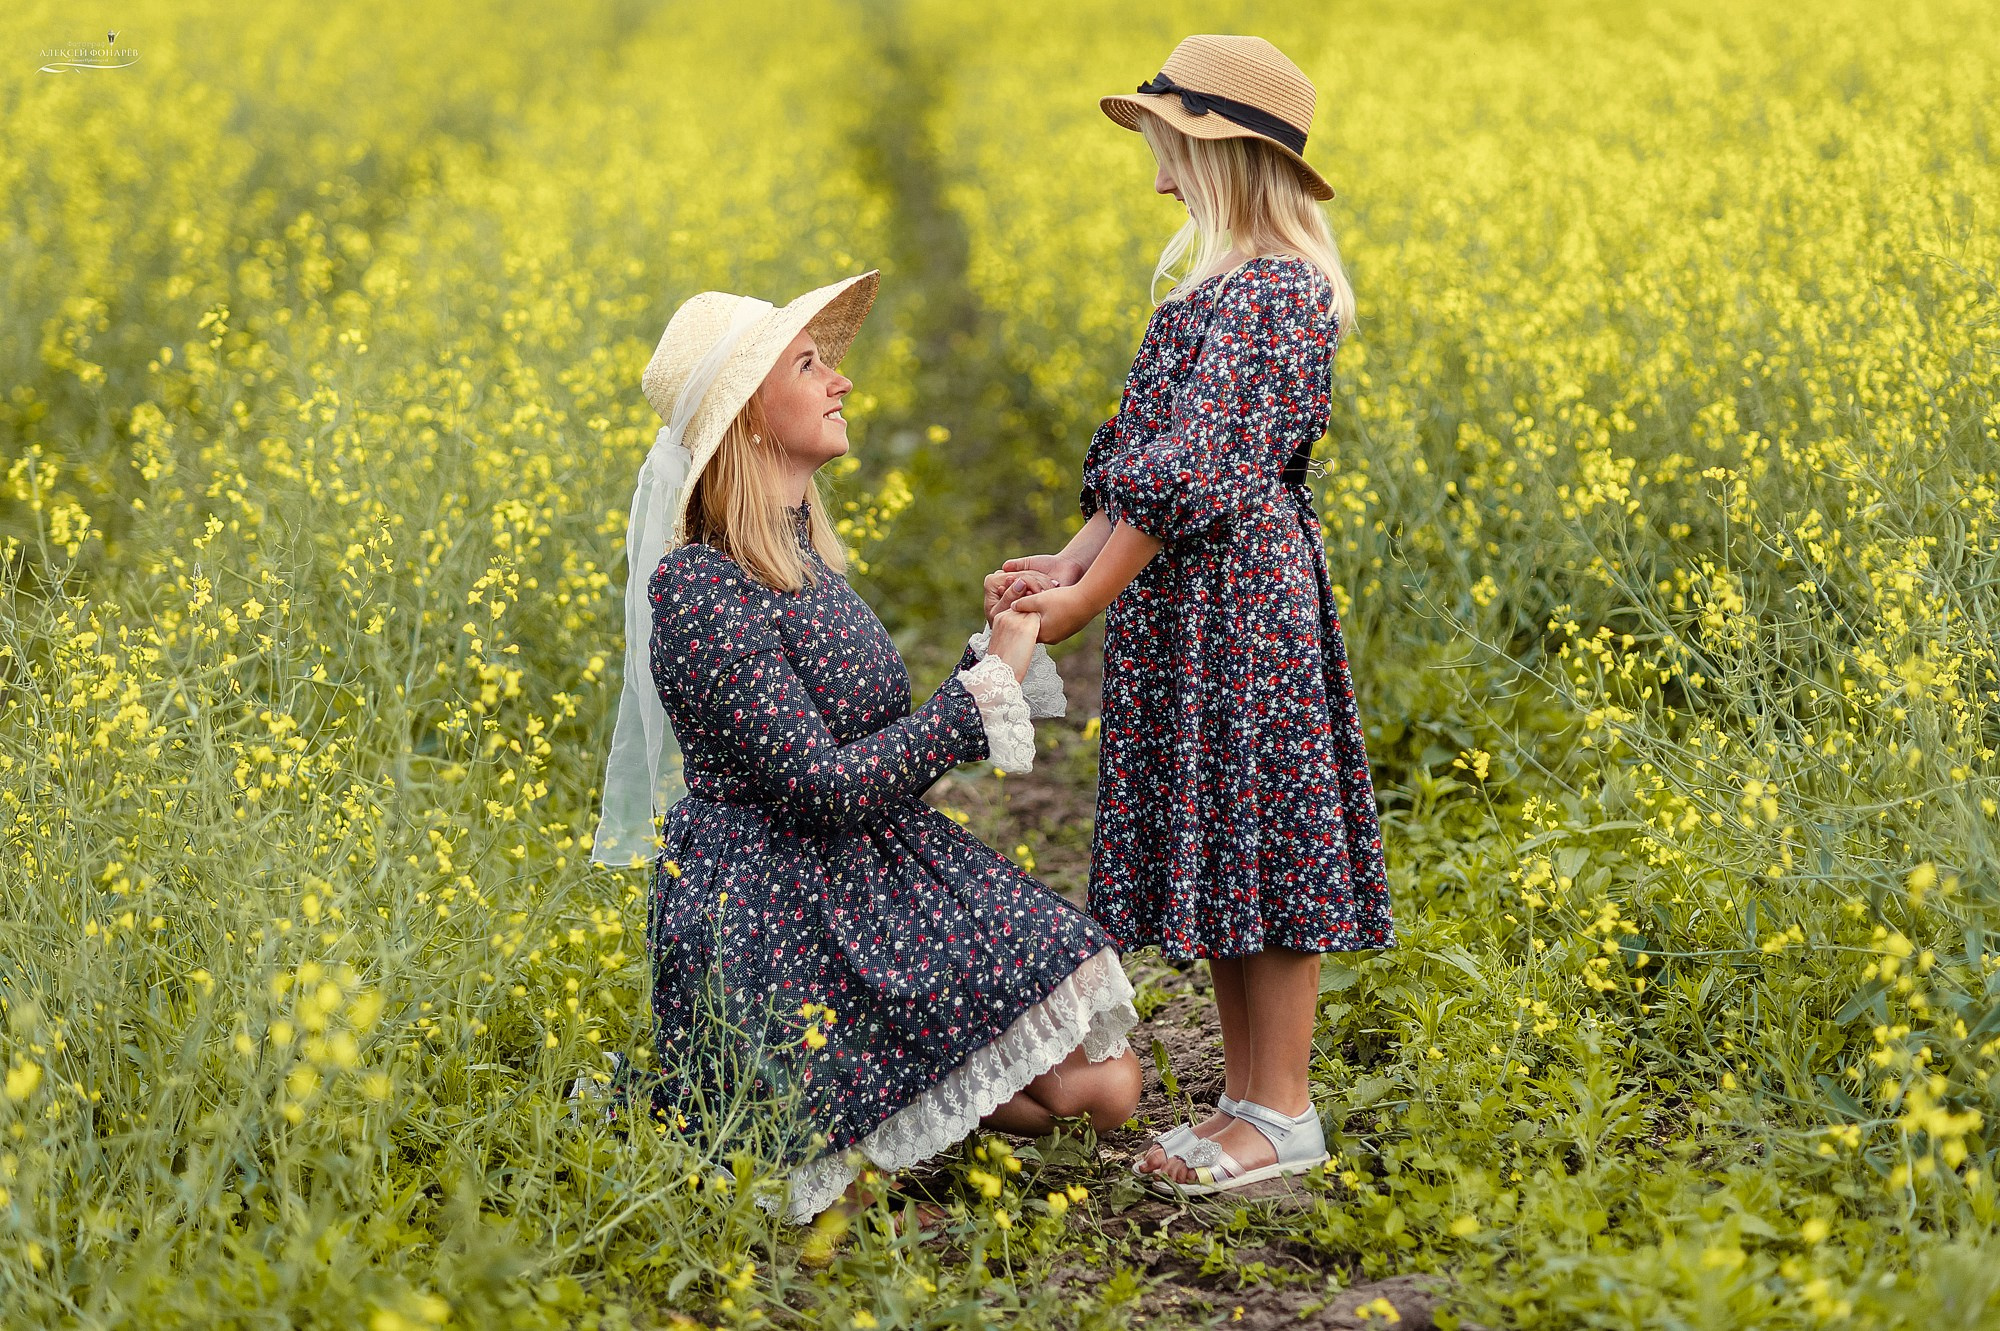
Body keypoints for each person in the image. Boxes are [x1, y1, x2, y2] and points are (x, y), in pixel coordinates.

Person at [590, 268, 1142, 1223]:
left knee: (1109, 1087)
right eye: (811, 364)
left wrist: (996, 650)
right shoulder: (699, 592)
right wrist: (982, 694)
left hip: (875, 869)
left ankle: (913, 1104)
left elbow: (872, 741)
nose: (841, 379)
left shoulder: (800, 557)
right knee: (871, 1186)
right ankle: (871, 1112)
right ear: (750, 420)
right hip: (777, 916)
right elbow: (816, 786)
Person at [993, 35, 1394, 1196]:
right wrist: (1059, 561)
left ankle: (1283, 1110)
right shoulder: (1227, 287)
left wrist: (1080, 597)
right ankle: (1244, 1099)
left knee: (1262, 850)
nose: (1158, 175)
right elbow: (1143, 465)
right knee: (1230, 848)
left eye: (1170, 149)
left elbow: (1196, 473)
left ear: (1222, 157)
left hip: (1238, 608)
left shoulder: (1272, 292)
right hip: (1196, 598)